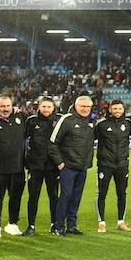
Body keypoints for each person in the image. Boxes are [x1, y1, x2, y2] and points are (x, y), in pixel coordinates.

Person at [48, 95, 96, 236]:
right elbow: (52, 143)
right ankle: (58, 226)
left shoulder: (92, 120)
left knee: (76, 197)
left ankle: (72, 225)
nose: (85, 109)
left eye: (88, 107)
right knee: (66, 195)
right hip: (68, 167)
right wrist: (60, 163)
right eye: (83, 106)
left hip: (83, 167)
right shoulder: (66, 119)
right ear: (76, 106)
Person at [0, 95, 27, 238]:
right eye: (2, 106)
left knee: (16, 197)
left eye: (8, 106)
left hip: (18, 167)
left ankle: (12, 224)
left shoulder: (20, 118)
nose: (6, 109)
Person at [94, 99, 131, 232]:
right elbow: (89, 139)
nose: (117, 111)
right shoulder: (102, 124)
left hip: (123, 164)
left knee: (122, 193)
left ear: (123, 109)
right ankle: (101, 222)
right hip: (105, 164)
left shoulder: (128, 124)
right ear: (110, 109)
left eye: (120, 108)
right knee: (102, 193)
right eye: (115, 108)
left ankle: (121, 222)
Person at [23, 96, 61, 235]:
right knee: (33, 196)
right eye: (43, 106)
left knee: (54, 196)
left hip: (53, 167)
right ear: (39, 107)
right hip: (35, 166)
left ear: (53, 108)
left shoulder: (59, 120)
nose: (46, 109)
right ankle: (31, 226)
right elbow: (22, 140)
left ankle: (55, 225)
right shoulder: (31, 121)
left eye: (49, 107)